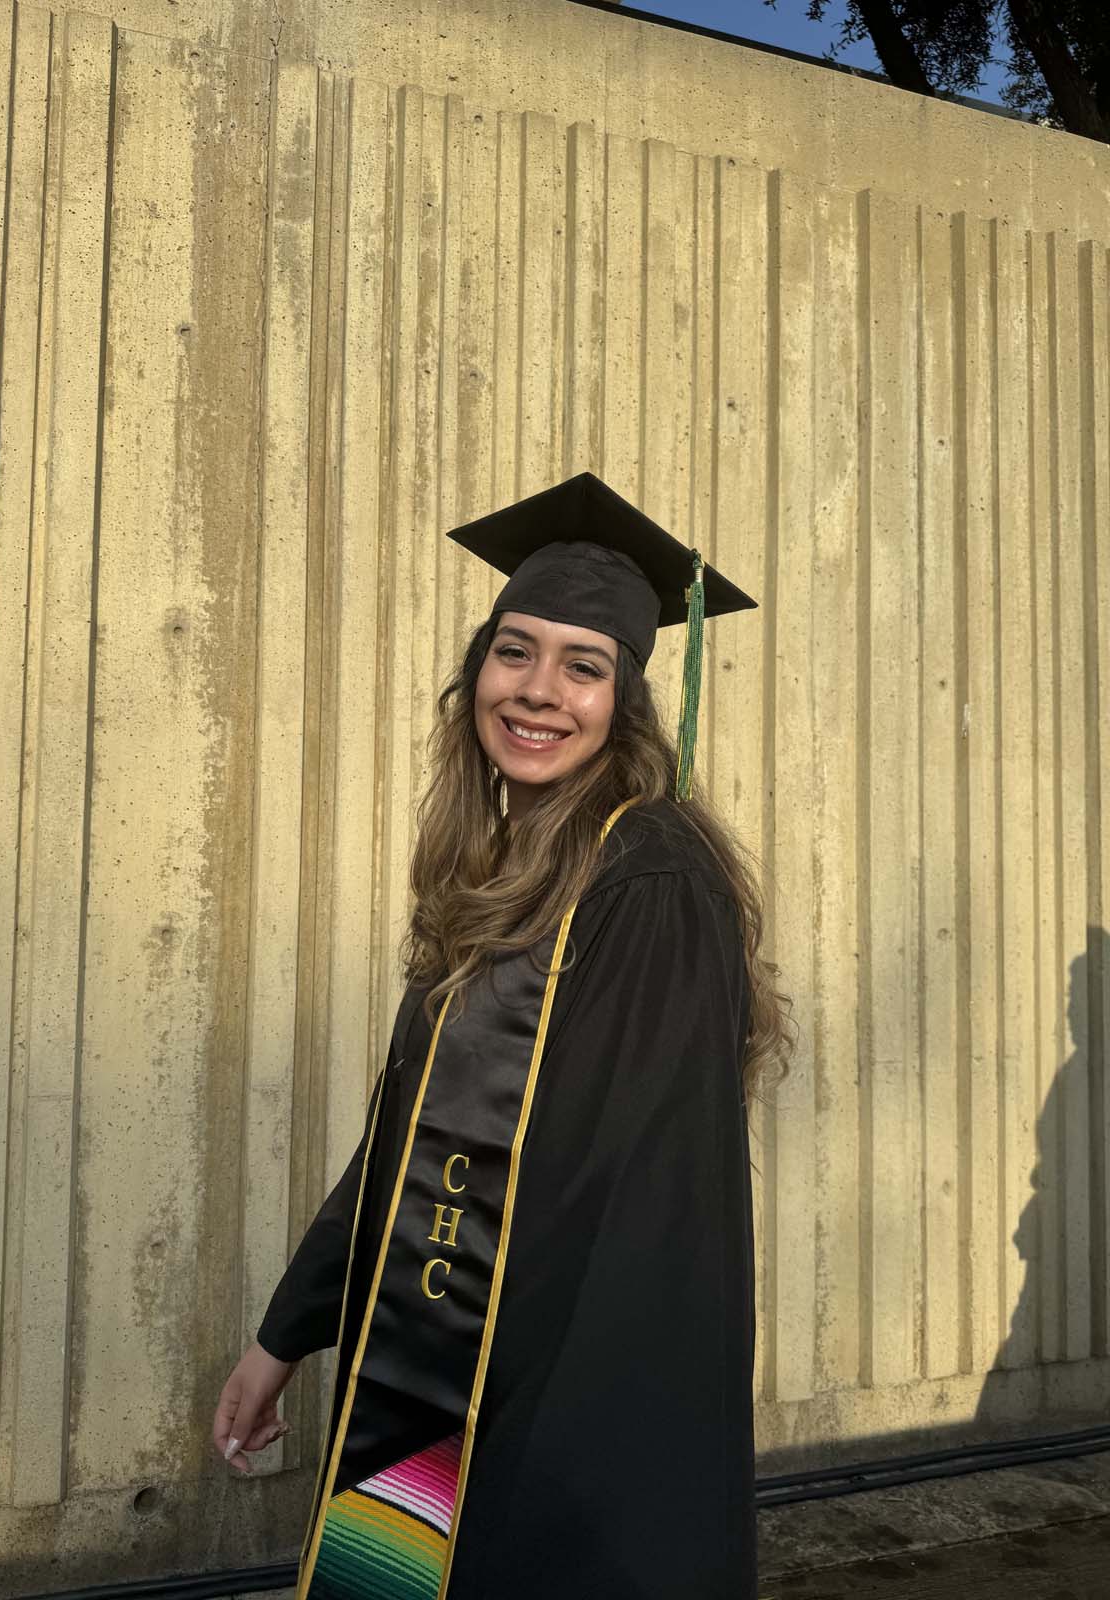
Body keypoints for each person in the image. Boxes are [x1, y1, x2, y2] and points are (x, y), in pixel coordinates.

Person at [212, 473, 792, 1600]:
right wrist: (288, 1334)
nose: (537, 692)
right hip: (465, 1392)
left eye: (583, 665)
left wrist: (462, 1419)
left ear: (625, 702)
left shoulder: (649, 877)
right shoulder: (501, 874)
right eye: (514, 651)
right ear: (475, 672)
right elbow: (418, 1145)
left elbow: (607, 1196)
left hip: (570, 1423)